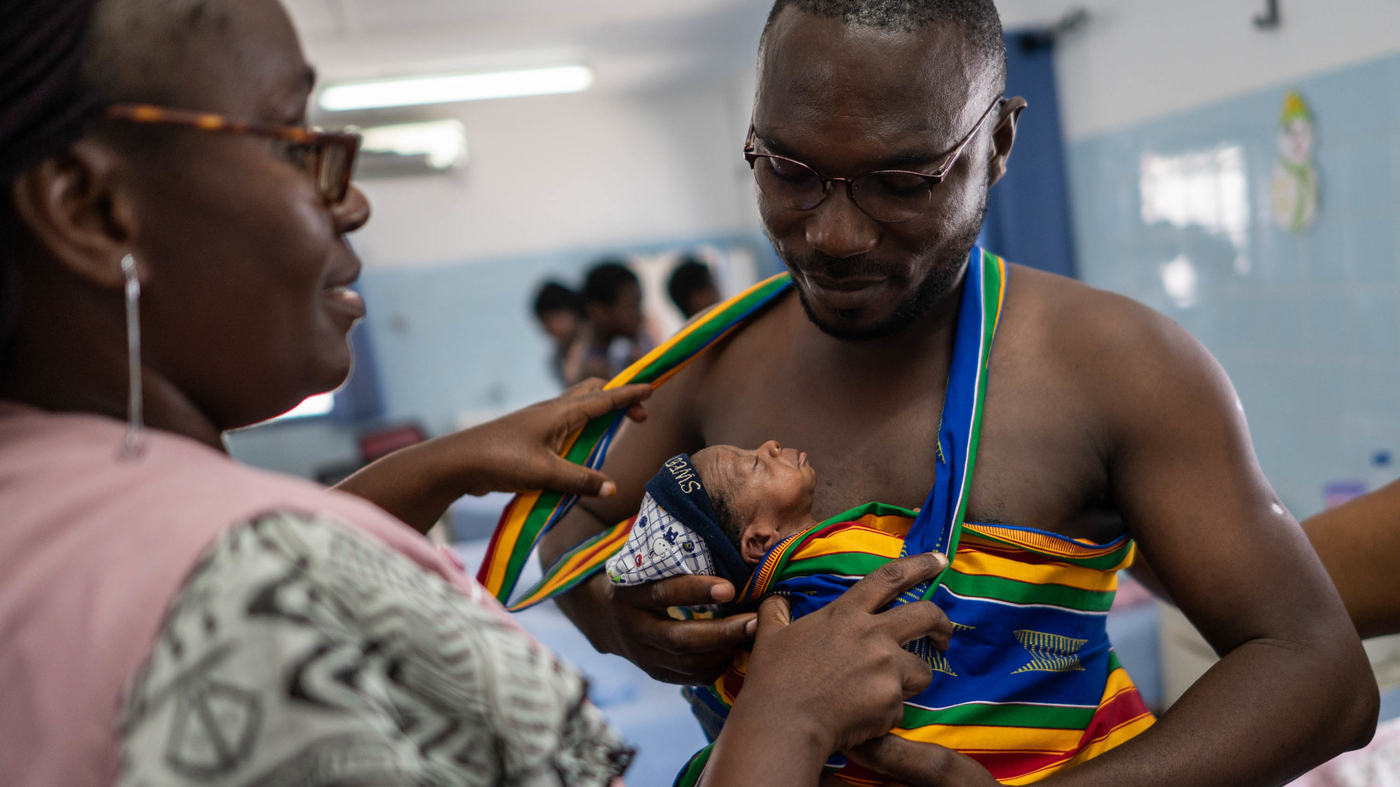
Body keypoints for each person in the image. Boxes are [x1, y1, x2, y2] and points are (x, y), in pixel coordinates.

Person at [0, 1, 962, 786]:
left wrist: (443, 466)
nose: (354, 199)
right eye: (293, 143)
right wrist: (784, 722)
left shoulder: (40, 509)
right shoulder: (267, 586)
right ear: (92, 207)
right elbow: (255, 567)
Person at [538, 0, 1379, 784]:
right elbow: (567, 532)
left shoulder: (1120, 366)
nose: (833, 234)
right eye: (790, 170)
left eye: (902, 180)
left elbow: (1321, 673)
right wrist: (616, 617)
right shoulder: (710, 359)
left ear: (1000, 142)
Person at [564, 260, 650, 384]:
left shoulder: (619, 354)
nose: (640, 316)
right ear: (599, 310)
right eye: (632, 306)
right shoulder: (596, 372)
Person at [531, 279, 584, 385]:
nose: (547, 329)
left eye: (550, 321)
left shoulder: (603, 341)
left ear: (571, 312)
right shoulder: (557, 359)